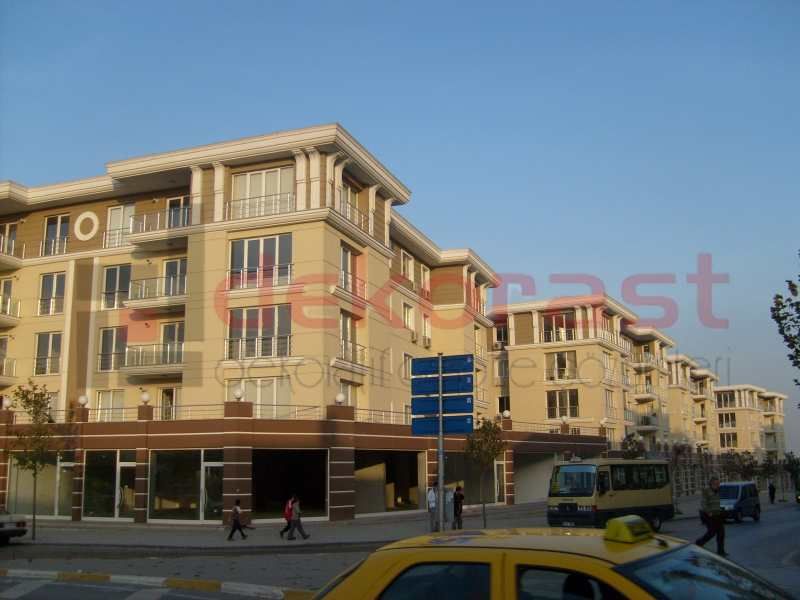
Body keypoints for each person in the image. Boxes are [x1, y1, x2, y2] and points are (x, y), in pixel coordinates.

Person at [695, 477, 726, 557]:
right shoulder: (706, 491)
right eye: (716, 484)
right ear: (711, 484)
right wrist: (708, 512)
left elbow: (717, 502)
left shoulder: (718, 491)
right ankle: (698, 543)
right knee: (711, 533)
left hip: (718, 514)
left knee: (721, 533)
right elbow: (703, 503)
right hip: (710, 515)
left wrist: (721, 510)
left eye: (718, 484)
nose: (717, 485)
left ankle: (721, 551)